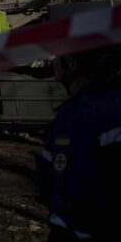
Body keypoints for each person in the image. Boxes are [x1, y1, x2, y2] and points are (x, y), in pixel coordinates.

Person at [36, 47, 121, 241]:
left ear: (72, 63)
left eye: (58, 56)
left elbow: (70, 184)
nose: (52, 61)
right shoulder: (110, 103)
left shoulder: (80, 114)